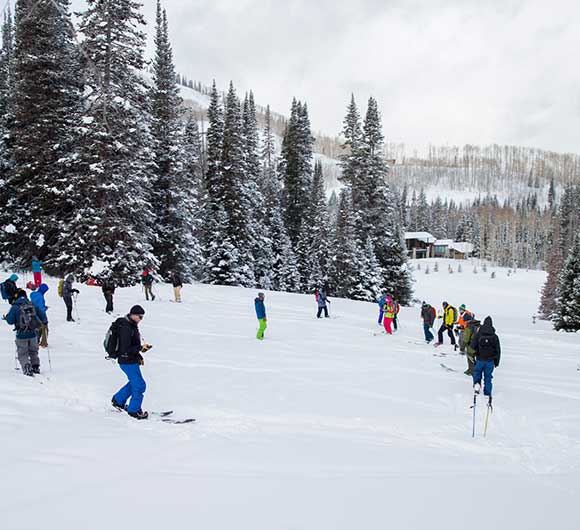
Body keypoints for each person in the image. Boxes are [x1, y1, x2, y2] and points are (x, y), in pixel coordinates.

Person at [111, 305, 151, 419]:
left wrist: (139, 354)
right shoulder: (126, 328)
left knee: (134, 383)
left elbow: (132, 345)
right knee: (139, 385)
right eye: (140, 317)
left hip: (130, 360)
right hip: (126, 361)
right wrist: (140, 348)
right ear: (133, 314)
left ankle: (118, 400)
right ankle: (134, 410)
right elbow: (125, 348)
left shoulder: (131, 325)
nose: (140, 319)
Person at [4, 289, 47, 376]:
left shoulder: (15, 307)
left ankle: (26, 366)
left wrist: (7, 317)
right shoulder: (32, 304)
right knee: (33, 351)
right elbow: (41, 314)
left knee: (22, 353)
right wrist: (45, 321)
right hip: (33, 333)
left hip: (21, 334)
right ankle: (35, 366)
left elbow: (10, 321)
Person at [470, 316, 501, 396]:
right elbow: (498, 350)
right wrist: (496, 362)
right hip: (490, 361)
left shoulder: (479, 334)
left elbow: (472, 345)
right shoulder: (494, 336)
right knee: (488, 377)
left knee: (477, 373)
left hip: (480, 359)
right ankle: (487, 392)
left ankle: (477, 385)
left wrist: (475, 353)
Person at [30, 283, 50, 348]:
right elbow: (40, 308)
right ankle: (42, 343)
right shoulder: (40, 296)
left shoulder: (34, 294)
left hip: (33, 314)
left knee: (37, 328)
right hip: (40, 315)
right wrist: (45, 308)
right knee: (44, 328)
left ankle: (35, 341)